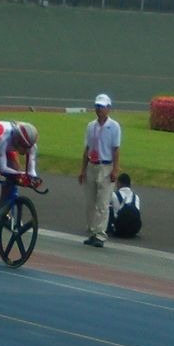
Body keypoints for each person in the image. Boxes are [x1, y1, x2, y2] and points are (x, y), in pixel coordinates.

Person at [78, 93, 121, 248]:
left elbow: (116, 149)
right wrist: (82, 170)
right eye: (97, 106)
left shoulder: (114, 126)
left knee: (102, 202)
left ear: (108, 108)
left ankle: (100, 234)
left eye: (102, 107)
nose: (99, 109)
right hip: (92, 165)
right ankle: (92, 231)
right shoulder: (91, 126)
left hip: (106, 165)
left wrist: (115, 170)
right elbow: (87, 148)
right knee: (90, 201)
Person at [107, 173, 141, 237]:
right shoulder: (136, 197)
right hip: (134, 230)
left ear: (119, 183)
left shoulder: (113, 195)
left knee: (108, 207)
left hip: (118, 229)